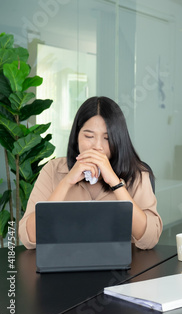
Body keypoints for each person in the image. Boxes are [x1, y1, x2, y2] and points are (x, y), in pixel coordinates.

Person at [19, 96, 162, 250]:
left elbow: (149, 240)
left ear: (119, 140)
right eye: (89, 136)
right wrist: (66, 182)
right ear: (76, 137)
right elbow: (29, 238)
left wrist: (115, 183)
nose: (97, 146)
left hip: (121, 270)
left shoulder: (137, 174)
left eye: (107, 138)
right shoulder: (53, 169)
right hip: (63, 266)